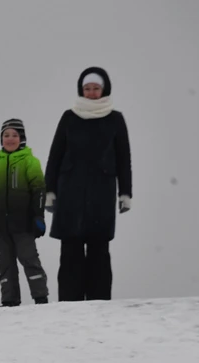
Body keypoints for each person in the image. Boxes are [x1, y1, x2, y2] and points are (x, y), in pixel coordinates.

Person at [44, 67, 133, 302]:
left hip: (101, 193)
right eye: (87, 89)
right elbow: (55, 155)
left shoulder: (115, 119)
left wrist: (125, 193)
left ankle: (99, 300)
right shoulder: (69, 117)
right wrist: (49, 191)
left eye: (95, 89)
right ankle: (69, 301)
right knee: (70, 249)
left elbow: (124, 158)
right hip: (69, 191)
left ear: (104, 90)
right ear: (81, 90)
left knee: (99, 250)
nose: (91, 93)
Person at [0, 118, 50, 306]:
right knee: (5, 265)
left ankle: (40, 298)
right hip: (1, 227)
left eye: (14, 135)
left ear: (22, 138)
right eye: (6, 135)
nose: (10, 139)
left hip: (24, 225)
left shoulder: (29, 161)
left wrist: (38, 217)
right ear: (1, 139)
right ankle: (9, 300)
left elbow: (39, 191)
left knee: (30, 260)